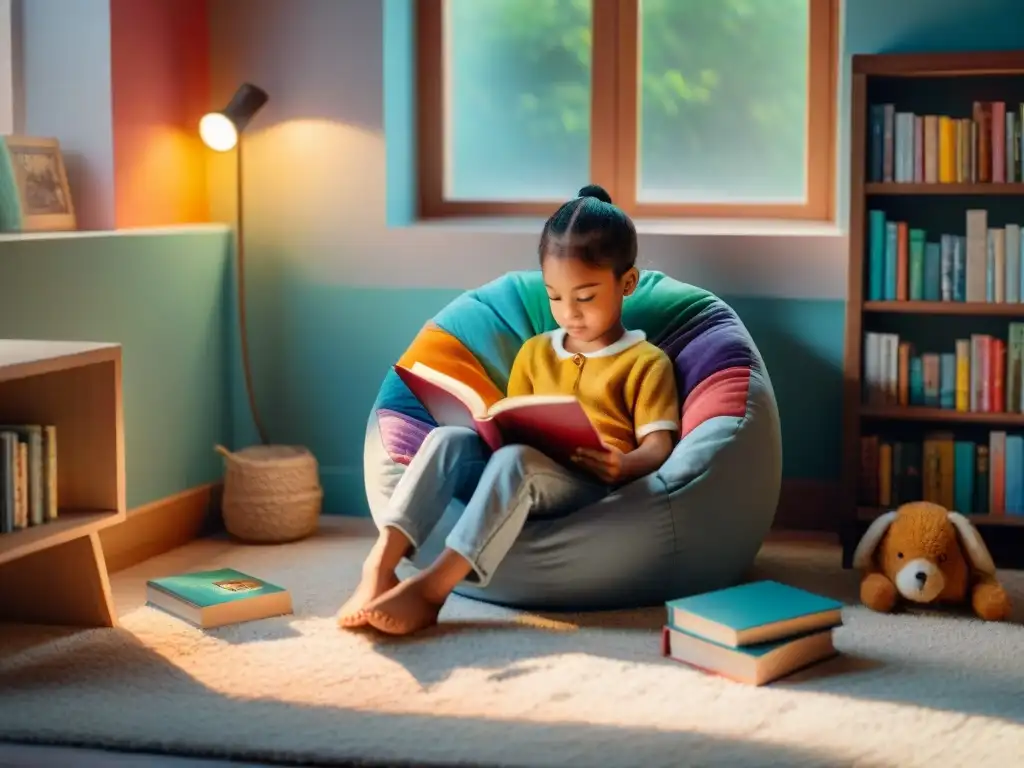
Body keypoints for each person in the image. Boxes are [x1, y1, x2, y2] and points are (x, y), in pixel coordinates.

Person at [336, 184, 681, 636]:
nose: (569, 313)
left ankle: (432, 590)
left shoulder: (646, 361)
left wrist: (625, 464)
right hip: (516, 472)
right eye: (555, 296)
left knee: (518, 462)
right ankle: (379, 566)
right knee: (447, 439)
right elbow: (512, 418)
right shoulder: (535, 352)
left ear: (627, 283)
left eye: (586, 296)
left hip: (589, 482)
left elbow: (659, 444)